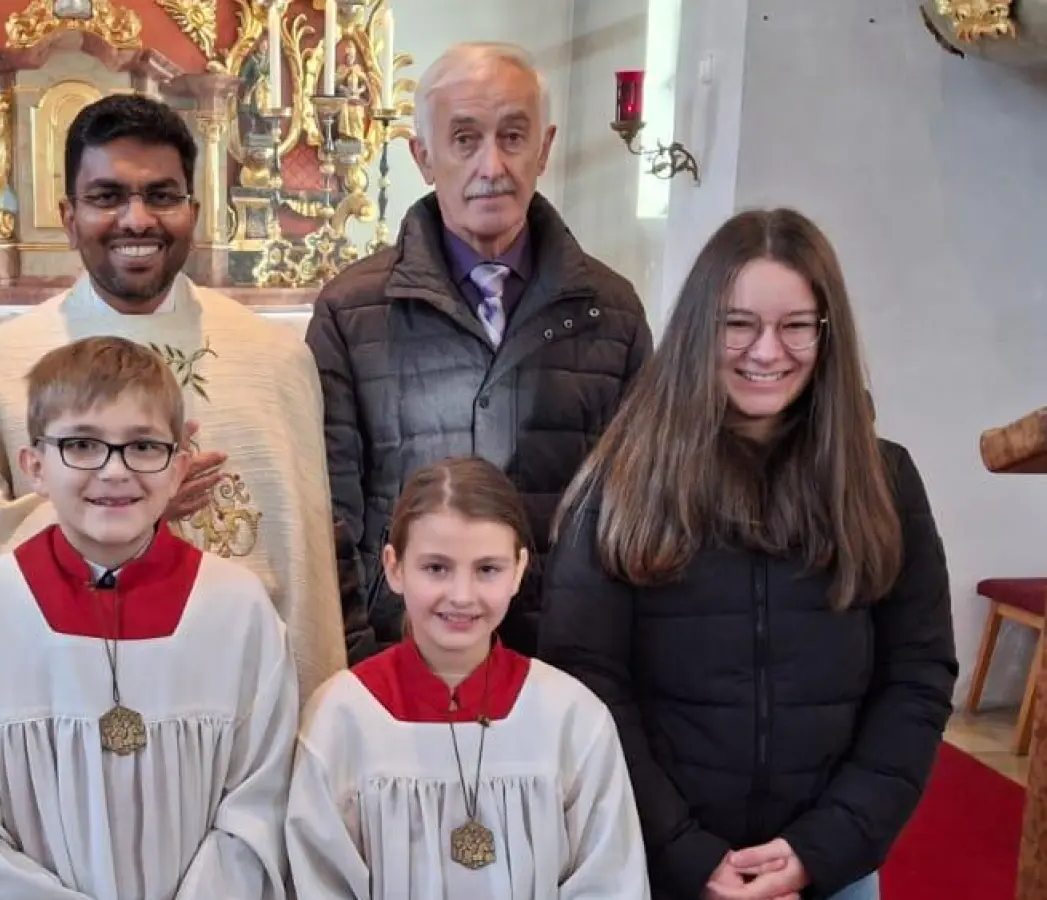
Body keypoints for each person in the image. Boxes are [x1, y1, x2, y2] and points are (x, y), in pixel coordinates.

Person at [539, 209, 957, 900]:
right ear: (699, 329)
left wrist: (819, 850)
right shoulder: (618, 482)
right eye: (738, 324)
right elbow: (586, 684)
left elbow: (916, 676)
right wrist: (688, 852)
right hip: (656, 864)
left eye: (794, 325)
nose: (766, 352)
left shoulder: (882, 482)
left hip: (827, 865)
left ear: (826, 334)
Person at [0, 92, 344, 701]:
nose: (137, 219)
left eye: (161, 195)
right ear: (68, 215)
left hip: (243, 692)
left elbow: (307, 563)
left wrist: (310, 707)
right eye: (107, 196)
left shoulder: (275, 362)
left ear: (194, 210)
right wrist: (119, 511)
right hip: (64, 697)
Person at [0, 336, 298, 899]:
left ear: (179, 467)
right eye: (83, 446)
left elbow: (258, 805)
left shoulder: (239, 614)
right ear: (34, 466)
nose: (115, 472)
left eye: (143, 447)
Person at [307, 42, 652, 664]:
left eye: (513, 136)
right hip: (401, 660)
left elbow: (637, 512)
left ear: (543, 150)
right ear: (423, 156)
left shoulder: (612, 310)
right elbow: (330, 519)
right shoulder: (350, 312)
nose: (492, 164)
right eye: (464, 139)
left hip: (565, 666)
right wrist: (366, 664)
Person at [285, 457, 649, 899]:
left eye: (487, 569)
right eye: (436, 568)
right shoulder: (341, 718)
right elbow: (319, 882)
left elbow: (610, 880)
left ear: (518, 570)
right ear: (394, 567)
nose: (461, 596)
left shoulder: (571, 717)